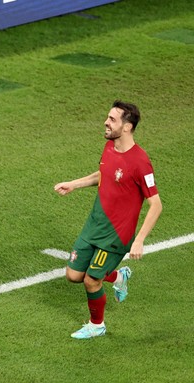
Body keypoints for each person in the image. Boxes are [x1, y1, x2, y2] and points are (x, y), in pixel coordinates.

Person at [54, 100, 162, 339]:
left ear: (127, 127)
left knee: (91, 281)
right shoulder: (110, 147)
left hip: (116, 234)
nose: (106, 122)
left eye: (112, 119)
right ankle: (118, 276)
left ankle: (97, 325)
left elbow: (156, 204)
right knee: (73, 276)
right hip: (94, 224)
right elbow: (103, 174)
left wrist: (139, 240)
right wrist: (74, 184)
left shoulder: (141, 162)